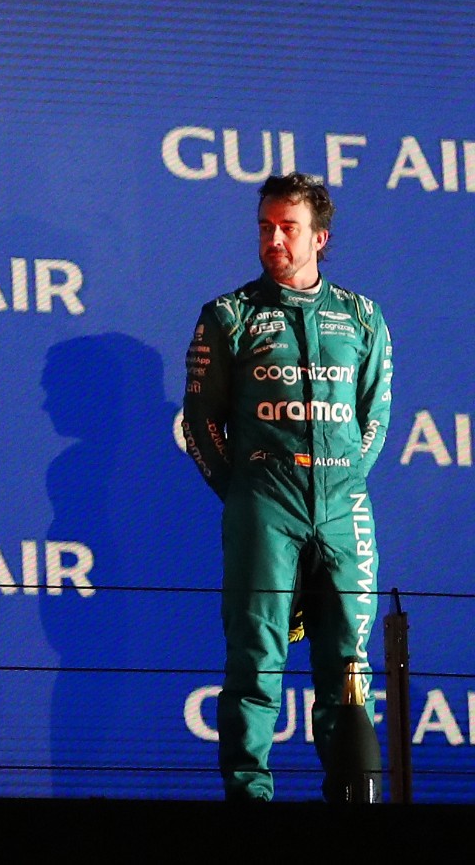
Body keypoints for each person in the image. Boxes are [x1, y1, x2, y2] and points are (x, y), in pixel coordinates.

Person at [182, 172, 393, 801]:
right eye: (266, 227)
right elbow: (198, 424)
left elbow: (374, 419)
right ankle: (250, 805)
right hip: (262, 507)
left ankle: (357, 799)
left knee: (350, 663)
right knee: (254, 660)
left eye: (288, 227)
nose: (274, 239)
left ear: (319, 237)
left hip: (344, 505)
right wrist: (247, 494)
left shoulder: (361, 316)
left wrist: (343, 484)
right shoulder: (229, 315)